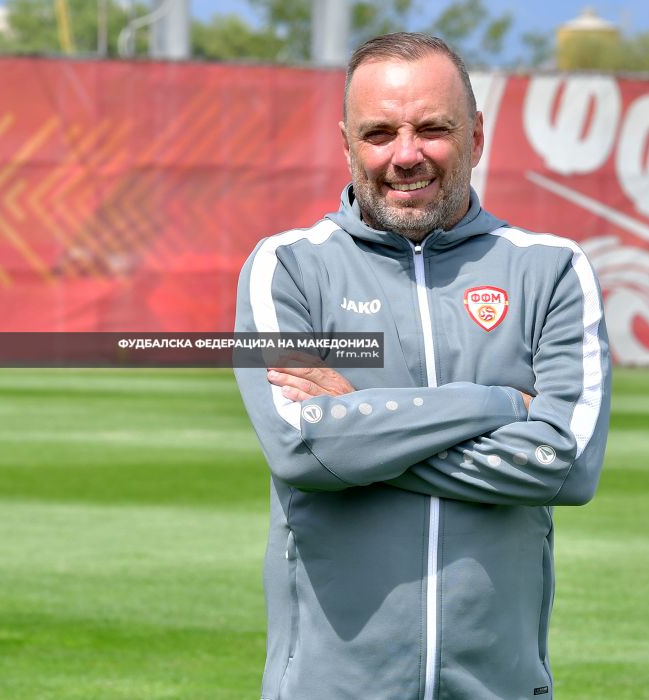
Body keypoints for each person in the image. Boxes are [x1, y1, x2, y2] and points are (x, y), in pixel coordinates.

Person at [234, 32, 611, 700]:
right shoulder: (286, 266)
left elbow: (567, 464)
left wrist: (359, 434)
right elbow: (301, 448)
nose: (406, 155)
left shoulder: (551, 268)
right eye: (379, 133)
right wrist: (500, 404)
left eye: (432, 129)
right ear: (346, 144)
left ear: (477, 136)